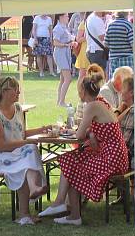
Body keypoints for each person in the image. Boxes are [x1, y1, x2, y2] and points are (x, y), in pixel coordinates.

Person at [39, 72, 129, 225]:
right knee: (70, 160)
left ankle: (64, 206)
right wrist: (90, 133)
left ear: (83, 91)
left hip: (111, 159)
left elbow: (79, 135)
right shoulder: (101, 102)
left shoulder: (92, 106)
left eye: (78, 89)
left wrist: (79, 132)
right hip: (116, 155)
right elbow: (92, 129)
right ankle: (69, 211)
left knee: (70, 163)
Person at [0, 77, 50, 225]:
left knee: (28, 155)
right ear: (4, 92)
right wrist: (28, 142)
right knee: (28, 152)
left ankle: (25, 212)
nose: (19, 92)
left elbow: (20, 134)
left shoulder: (17, 108)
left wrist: (42, 130)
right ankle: (32, 194)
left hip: (11, 152)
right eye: (15, 89)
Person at [52, 13, 75, 106]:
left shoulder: (64, 27)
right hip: (60, 53)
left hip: (65, 53)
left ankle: (60, 101)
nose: (68, 17)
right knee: (68, 79)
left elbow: (67, 39)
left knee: (62, 79)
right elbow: (55, 43)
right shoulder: (57, 28)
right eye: (66, 16)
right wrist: (66, 45)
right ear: (61, 17)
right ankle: (61, 101)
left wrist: (71, 43)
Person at [106, 11, 134, 77]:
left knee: (114, 83)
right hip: (127, 58)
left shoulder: (110, 25)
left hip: (113, 59)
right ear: (127, 14)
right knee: (127, 82)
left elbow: (106, 44)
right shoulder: (128, 25)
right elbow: (133, 44)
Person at [74, 15, 90, 81]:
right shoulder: (83, 23)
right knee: (82, 74)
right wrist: (87, 37)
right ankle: (80, 91)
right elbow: (78, 39)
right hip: (84, 51)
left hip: (93, 50)